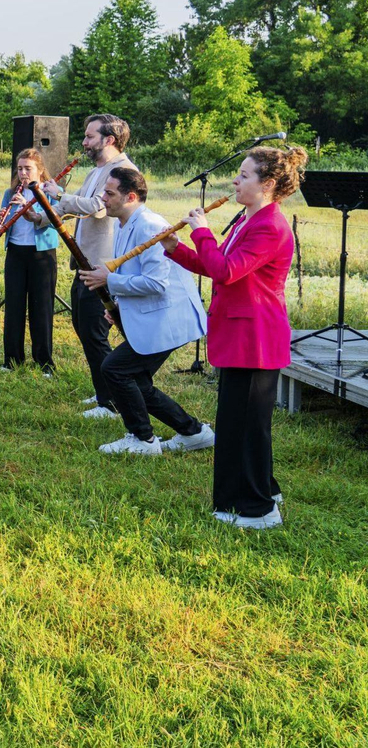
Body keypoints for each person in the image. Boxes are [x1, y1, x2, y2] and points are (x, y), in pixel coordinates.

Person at [165, 145, 307, 529]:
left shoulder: (269, 226)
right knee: (236, 424)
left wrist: (202, 234)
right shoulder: (248, 220)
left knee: (246, 426)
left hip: (256, 337)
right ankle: (257, 493)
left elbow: (227, 270)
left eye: (244, 176)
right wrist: (177, 248)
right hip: (240, 334)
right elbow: (217, 267)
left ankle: (259, 510)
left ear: (268, 184)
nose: (235, 181)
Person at [76, 167, 212, 457]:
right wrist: (120, 308)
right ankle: (194, 432)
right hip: (156, 317)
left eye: (109, 193)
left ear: (131, 196)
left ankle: (143, 439)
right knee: (136, 379)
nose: (103, 198)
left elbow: (157, 284)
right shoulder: (126, 223)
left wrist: (108, 280)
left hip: (169, 319)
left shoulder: (149, 225)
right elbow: (136, 275)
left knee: (115, 369)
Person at [35, 113, 137, 417]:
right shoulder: (99, 170)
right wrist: (39, 216)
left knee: (95, 331)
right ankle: (103, 391)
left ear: (109, 140)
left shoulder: (122, 170)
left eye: (90, 136)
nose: (84, 142)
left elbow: (98, 209)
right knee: (83, 326)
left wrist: (60, 194)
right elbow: (73, 206)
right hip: (85, 262)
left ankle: (112, 402)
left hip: (103, 264)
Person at [0, 150, 62, 374]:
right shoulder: (10, 192)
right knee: (13, 307)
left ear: (40, 170)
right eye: (20, 168)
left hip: (42, 255)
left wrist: (29, 207)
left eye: (28, 168)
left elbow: (54, 222)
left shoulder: (52, 192)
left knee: (41, 309)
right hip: (15, 252)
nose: (23, 173)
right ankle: (12, 360)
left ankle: (45, 363)